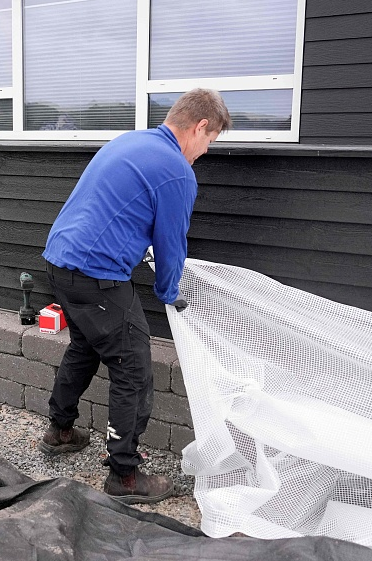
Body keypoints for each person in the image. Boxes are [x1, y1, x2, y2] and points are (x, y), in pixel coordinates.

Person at [39, 88, 231, 504]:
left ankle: (60, 431)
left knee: (85, 347)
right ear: (199, 127)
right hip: (96, 274)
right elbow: (171, 243)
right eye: (209, 141)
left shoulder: (132, 140)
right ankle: (124, 475)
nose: (204, 152)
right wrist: (169, 293)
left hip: (59, 262)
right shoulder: (178, 171)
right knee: (133, 367)